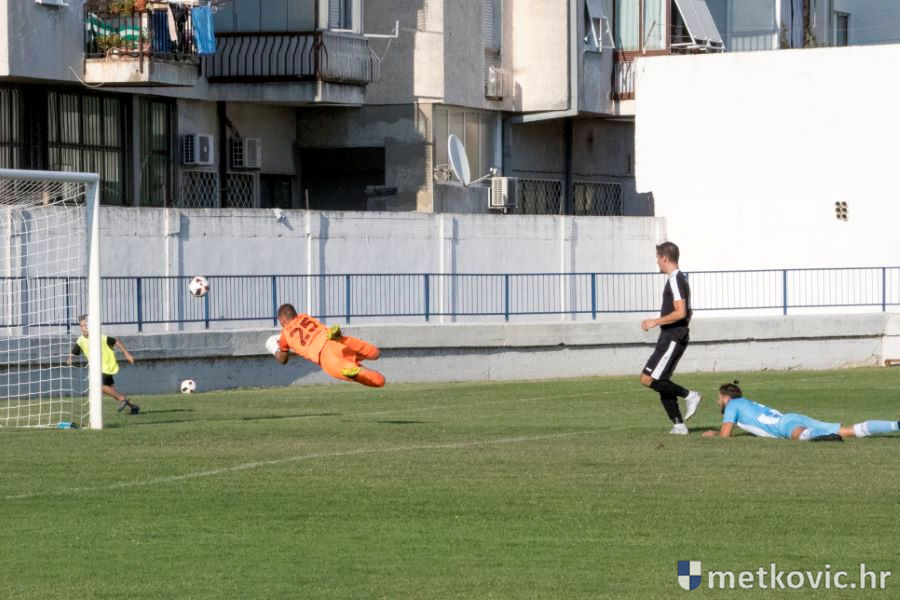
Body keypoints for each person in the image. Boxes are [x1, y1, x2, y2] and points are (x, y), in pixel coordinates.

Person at [640, 241, 703, 435]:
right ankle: (679, 425)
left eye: (658, 258)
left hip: (673, 337)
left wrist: (655, 321)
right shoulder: (678, 279)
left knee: (648, 378)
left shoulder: (676, 279)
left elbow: (681, 312)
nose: (657, 262)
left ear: (665, 258)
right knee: (660, 379)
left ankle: (690, 395)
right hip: (671, 335)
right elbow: (688, 311)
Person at [703, 381, 899, 441]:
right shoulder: (746, 403)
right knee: (850, 430)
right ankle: (894, 425)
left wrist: (713, 434)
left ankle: (824, 437)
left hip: (784, 425)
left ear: (726, 398)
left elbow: (725, 435)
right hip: (792, 417)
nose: (718, 402)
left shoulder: (732, 405)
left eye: (719, 398)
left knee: (800, 435)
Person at [267, 303, 385, 388]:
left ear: (283, 321)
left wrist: (273, 348)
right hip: (333, 342)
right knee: (375, 354)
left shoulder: (284, 335)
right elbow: (301, 330)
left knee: (379, 381)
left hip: (325, 357)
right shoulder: (304, 316)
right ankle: (342, 339)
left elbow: (283, 359)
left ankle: (354, 373)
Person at [66, 314, 139, 414]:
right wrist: (70, 358)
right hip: (97, 368)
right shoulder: (81, 340)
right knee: (111, 390)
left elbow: (116, 341)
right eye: (81, 326)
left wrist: (127, 354)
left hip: (106, 366)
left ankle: (122, 399)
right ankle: (133, 407)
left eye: (85, 325)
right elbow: (74, 351)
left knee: (98, 386)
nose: (83, 328)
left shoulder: (100, 337)